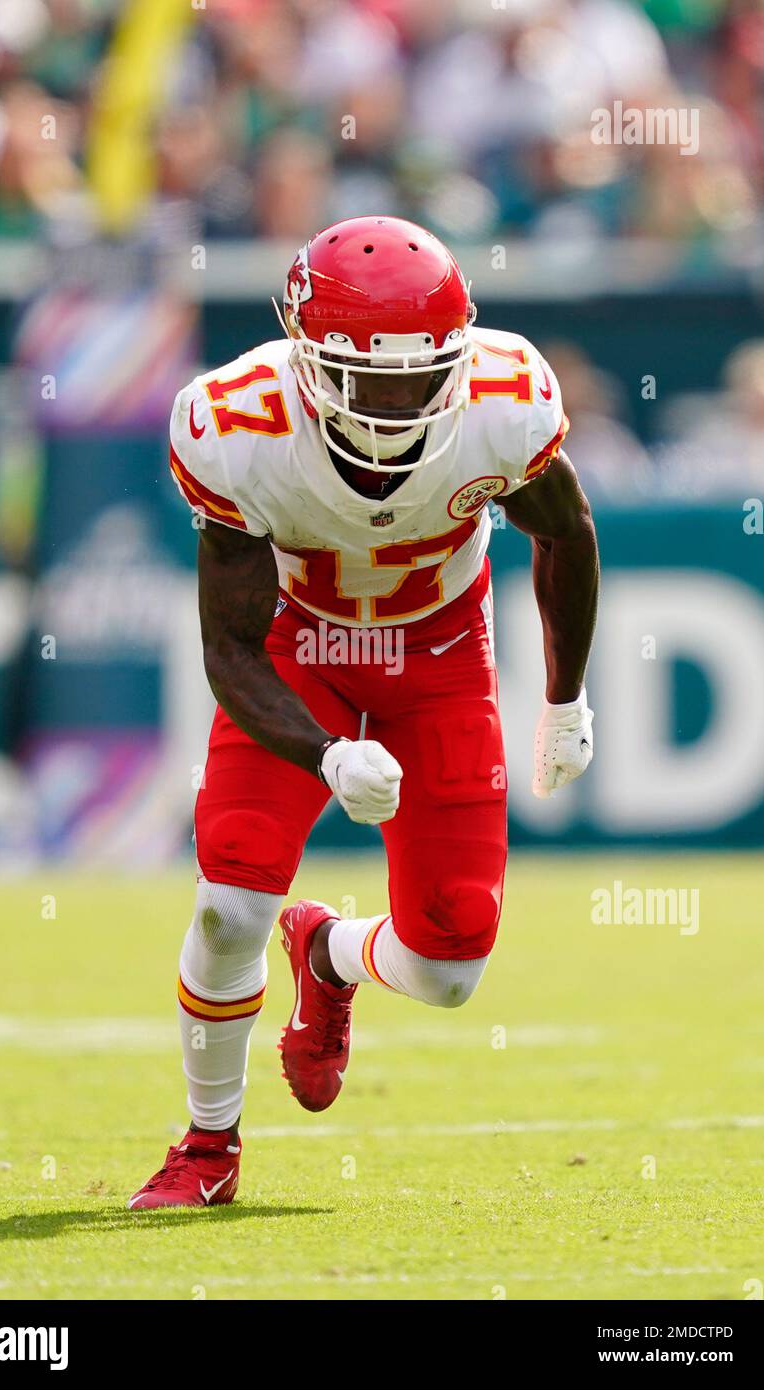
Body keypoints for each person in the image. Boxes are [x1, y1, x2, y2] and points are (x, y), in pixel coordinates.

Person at [128, 215, 599, 1209]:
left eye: (418, 374)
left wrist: (563, 699)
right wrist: (329, 754)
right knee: (227, 899)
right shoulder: (239, 425)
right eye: (366, 377)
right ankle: (207, 1146)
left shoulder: (503, 400)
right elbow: (226, 646)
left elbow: (566, 533)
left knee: (449, 966)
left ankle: (328, 950)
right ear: (305, 360)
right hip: (298, 653)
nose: (393, 400)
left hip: (437, 655)